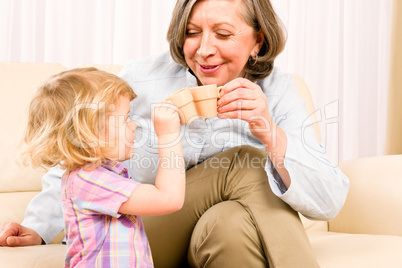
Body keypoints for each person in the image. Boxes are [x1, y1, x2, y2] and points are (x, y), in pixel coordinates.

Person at [0, 0, 350, 267]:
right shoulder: (140, 78)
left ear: (258, 41)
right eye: (192, 32)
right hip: (144, 235)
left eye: (224, 34)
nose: (204, 50)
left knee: (231, 225)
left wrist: (270, 132)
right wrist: (39, 228)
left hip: (209, 237)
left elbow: (329, 201)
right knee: (246, 164)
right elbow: (76, 157)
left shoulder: (279, 92)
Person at [15, 67, 185, 267]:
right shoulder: (89, 180)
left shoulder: (101, 174)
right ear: (88, 136)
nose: (134, 126)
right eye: (125, 119)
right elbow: (168, 199)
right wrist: (168, 136)